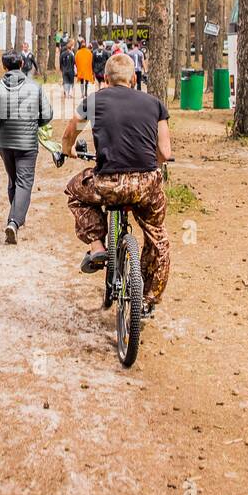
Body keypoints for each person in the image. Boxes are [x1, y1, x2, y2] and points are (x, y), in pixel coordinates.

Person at [62, 52, 172, 313]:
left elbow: (70, 131)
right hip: (147, 185)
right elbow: (165, 153)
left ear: (106, 79)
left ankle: (97, 245)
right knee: (157, 237)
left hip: (108, 183)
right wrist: (148, 166)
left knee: (75, 190)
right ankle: (148, 298)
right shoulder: (155, 104)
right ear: (133, 78)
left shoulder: (94, 100)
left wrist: (68, 149)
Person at [0, 49, 53, 243]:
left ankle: (16, 214)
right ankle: (14, 221)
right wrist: (33, 124)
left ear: (4, 67)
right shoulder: (35, 87)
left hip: (5, 143)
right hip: (27, 143)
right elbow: (47, 115)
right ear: (22, 64)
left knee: (14, 180)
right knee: (24, 182)